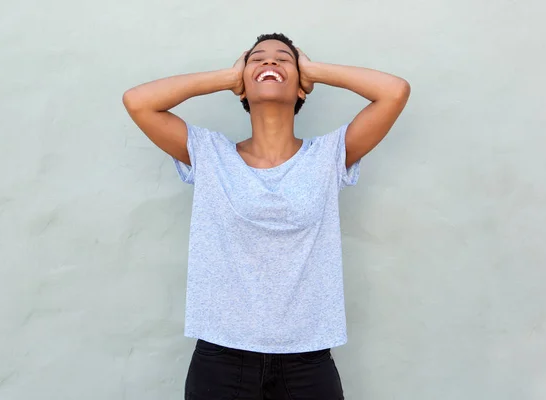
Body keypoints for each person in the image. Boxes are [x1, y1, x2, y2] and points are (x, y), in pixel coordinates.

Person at [122, 32, 410, 400]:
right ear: (242, 84)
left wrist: (314, 70)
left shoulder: (328, 156)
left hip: (308, 358)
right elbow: (138, 101)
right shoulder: (210, 154)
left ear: (302, 87)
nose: (269, 62)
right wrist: (228, 78)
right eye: (256, 58)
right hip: (221, 357)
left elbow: (395, 91)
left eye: (283, 59)